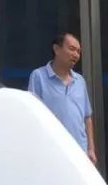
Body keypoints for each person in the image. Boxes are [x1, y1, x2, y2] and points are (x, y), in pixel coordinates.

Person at [28, 33, 96, 163]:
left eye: (78, 52)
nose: (76, 55)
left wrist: (91, 149)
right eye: (72, 49)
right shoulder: (39, 77)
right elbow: (33, 116)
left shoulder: (80, 81)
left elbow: (87, 117)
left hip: (80, 150)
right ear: (56, 49)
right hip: (52, 150)